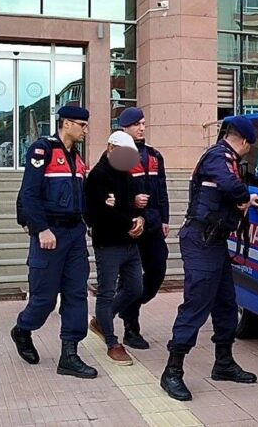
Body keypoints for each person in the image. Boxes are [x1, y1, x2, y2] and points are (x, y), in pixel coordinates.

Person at [161, 116, 258, 401]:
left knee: (226, 304)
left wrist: (243, 201)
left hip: (215, 241)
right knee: (196, 305)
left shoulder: (227, 159)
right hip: (200, 240)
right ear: (242, 141)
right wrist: (245, 196)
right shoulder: (218, 156)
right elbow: (230, 186)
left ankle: (224, 362)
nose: (248, 152)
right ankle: (172, 371)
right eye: (249, 147)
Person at [10, 106, 97, 379]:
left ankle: (69, 355)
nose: (85, 130)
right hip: (50, 234)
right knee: (44, 299)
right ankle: (23, 329)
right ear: (66, 123)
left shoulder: (76, 158)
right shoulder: (42, 150)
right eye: (81, 125)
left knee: (76, 293)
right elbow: (29, 194)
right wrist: (41, 229)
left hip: (74, 235)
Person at [85, 131, 145, 365]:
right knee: (106, 291)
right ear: (111, 149)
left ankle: (103, 319)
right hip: (109, 243)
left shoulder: (126, 175)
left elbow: (135, 202)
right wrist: (130, 222)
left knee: (135, 288)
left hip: (130, 242)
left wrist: (140, 218)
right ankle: (111, 340)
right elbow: (100, 213)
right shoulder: (98, 176)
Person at [116, 108, 170, 350]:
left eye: (143, 123)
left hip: (154, 225)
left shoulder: (155, 156)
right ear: (124, 128)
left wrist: (165, 219)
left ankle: (126, 303)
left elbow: (163, 191)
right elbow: (110, 194)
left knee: (157, 270)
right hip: (131, 227)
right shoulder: (118, 156)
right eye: (136, 124)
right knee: (132, 278)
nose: (141, 128)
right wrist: (130, 206)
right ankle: (131, 327)